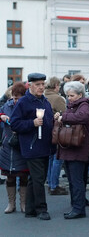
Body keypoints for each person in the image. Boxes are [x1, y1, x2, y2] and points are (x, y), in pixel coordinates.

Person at [10, 73, 54, 220]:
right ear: (30, 85)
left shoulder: (44, 101)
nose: (41, 87)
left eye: (43, 84)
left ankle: (30, 209)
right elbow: (14, 124)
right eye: (38, 84)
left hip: (45, 145)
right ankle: (41, 209)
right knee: (39, 178)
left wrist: (55, 119)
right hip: (32, 146)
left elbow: (47, 121)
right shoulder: (23, 102)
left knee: (34, 179)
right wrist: (32, 123)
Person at [54, 81, 89, 219]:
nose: (69, 98)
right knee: (72, 180)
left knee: (76, 180)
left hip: (78, 148)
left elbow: (83, 117)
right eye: (67, 95)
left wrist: (63, 117)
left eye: (72, 95)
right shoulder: (72, 105)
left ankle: (78, 208)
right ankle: (76, 205)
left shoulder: (84, 105)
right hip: (70, 148)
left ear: (80, 94)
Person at [0, 82, 29, 213]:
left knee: (23, 176)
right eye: (14, 97)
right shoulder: (7, 105)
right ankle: (11, 204)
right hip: (8, 145)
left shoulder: (27, 106)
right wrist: (2, 116)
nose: (16, 100)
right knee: (10, 176)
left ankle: (23, 203)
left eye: (19, 97)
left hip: (22, 144)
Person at [45, 77, 68, 196]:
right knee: (57, 159)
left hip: (46, 131)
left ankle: (50, 182)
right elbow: (65, 114)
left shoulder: (44, 96)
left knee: (50, 159)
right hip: (56, 131)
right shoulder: (57, 98)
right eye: (59, 85)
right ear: (55, 86)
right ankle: (54, 185)